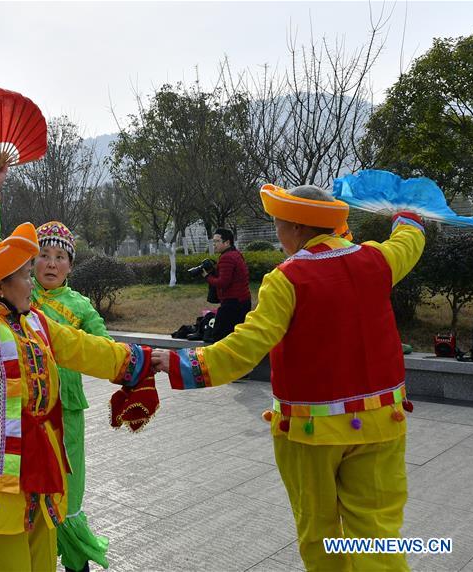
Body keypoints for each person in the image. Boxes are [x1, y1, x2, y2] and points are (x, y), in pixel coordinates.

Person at [153, 183, 425, 571]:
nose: (279, 234)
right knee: (377, 532)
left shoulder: (288, 278)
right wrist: (408, 217)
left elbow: (247, 346)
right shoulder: (376, 260)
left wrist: (181, 363)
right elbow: (408, 243)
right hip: (383, 421)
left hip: (312, 431)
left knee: (320, 532)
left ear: (297, 228)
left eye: (279, 225)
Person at [0, 163, 158, 572]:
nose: (35, 279)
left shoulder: (35, 321)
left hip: (39, 480)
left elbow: (87, 348)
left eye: (51, 262)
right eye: (27, 272)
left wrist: (143, 363)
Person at [0, 167, 112, 572]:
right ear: (30, 263)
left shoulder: (81, 307)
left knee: (67, 488)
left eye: (60, 257)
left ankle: (75, 560)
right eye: (43, 256)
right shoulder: (19, 297)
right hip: (21, 413)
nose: (51, 264)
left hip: (65, 411)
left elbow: (105, 348)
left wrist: (133, 370)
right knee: (29, 491)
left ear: (71, 265)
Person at [204, 228, 251, 342]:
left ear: (227, 242)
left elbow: (222, 283)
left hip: (232, 304)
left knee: (219, 338)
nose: (214, 244)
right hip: (242, 301)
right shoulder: (236, 254)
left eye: (217, 241)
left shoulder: (227, 257)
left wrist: (207, 276)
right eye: (213, 241)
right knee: (236, 339)